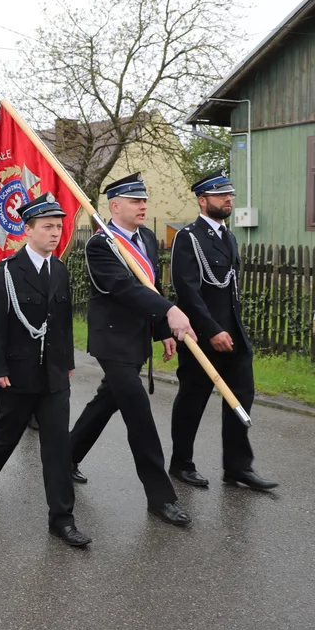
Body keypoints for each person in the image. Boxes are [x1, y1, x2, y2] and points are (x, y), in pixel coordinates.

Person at [69, 173, 196, 527]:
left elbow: (150, 286)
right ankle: (161, 497)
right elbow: (124, 288)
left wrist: (161, 331)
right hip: (112, 342)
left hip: (138, 339)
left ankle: (66, 457)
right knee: (139, 414)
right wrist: (169, 311)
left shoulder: (148, 239)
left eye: (144, 200)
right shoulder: (100, 245)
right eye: (135, 201)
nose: (143, 206)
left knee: (104, 403)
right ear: (115, 206)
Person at [0, 195, 87, 545]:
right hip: (16, 374)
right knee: (6, 435)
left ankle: (62, 519)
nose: (55, 233)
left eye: (59, 226)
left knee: (56, 447)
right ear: (28, 229)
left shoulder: (60, 270)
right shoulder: (7, 270)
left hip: (52, 376)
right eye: (48, 227)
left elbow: (62, 324)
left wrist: (67, 364)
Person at [169, 170, 277, 491]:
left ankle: (238, 467)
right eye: (220, 195)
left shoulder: (228, 237)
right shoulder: (188, 238)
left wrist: (229, 329)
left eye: (229, 194)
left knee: (240, 398)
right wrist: (212, 330)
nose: (229, 199)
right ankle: (181, 463)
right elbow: (187, 291)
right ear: (203, 201)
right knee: (192, 400)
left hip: (233, 335)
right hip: (202, 337)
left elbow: (229, 290)